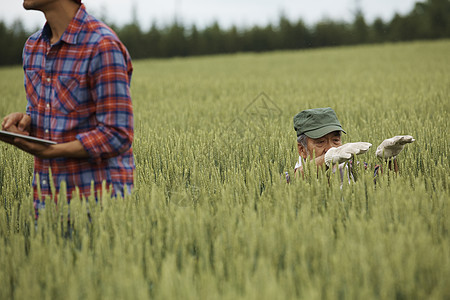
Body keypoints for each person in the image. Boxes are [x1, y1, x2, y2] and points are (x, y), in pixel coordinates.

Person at [0, 0, 134, 207]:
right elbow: (48, 113)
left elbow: (118, 134)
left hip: (99, 206)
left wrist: (53, 151)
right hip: (45, 202)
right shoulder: (33, 47)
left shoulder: (102, 45)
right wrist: (26, 121)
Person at [292, 107, 415, 178]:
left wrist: (389, 160)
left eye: (335, 140)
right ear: (302, 150)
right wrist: (327, 159)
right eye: (320, 142)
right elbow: (293, 179)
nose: (330, 148)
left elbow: (390, 183)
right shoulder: (283, 180)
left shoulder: (354, 168)